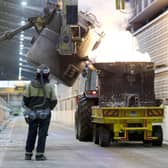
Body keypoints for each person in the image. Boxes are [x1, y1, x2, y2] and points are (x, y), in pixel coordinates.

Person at [23, 64, 57, 161]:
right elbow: (54, 101)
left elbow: (25, 100)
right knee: (42, 134)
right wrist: (48, 109)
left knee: (31, 133)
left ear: (37, 74)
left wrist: (29, 111)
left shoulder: (30, 86)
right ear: (47, 74)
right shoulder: (49, 87)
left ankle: (28, 154)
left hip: (33, 114)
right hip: (44, 115)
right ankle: (39, 155)